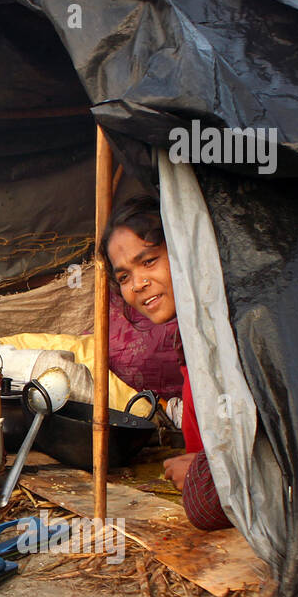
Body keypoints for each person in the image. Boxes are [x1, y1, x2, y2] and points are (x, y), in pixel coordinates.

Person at [102, 196, 232, 530]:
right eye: (125, 276)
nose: (138, 284)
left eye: (148, 261)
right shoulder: (190, 336)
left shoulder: (232, 330)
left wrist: (204, 473)